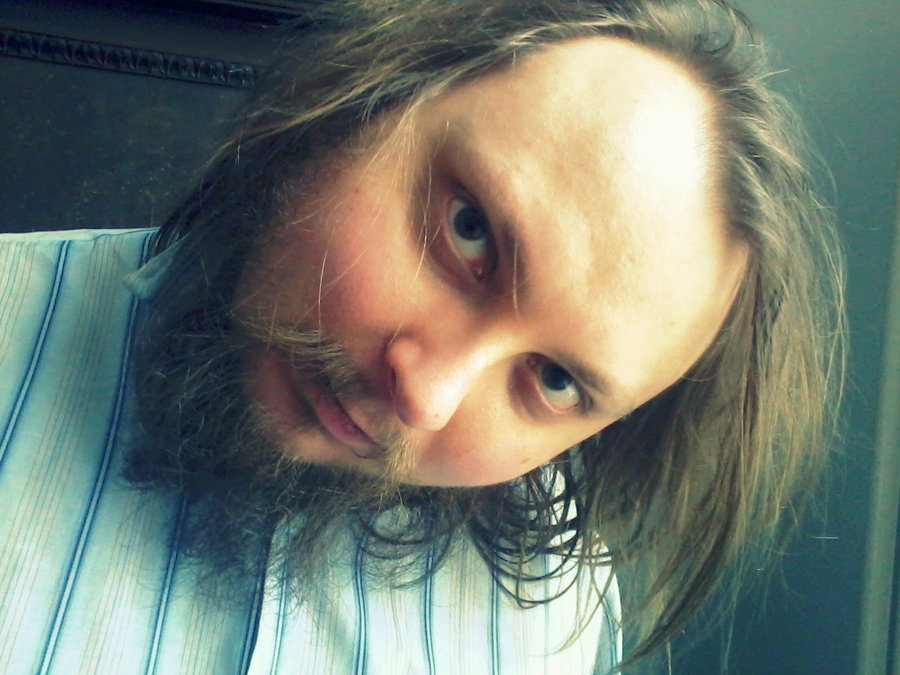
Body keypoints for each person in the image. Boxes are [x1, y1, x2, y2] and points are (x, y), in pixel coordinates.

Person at [0, 0, 844, 672]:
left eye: (554, 380)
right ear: (366, 102)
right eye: (468, 231)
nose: (427, 395)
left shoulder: (554, 617)